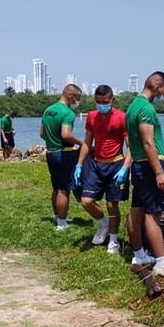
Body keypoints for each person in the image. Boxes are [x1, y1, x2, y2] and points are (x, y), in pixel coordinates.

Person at [126, 71, 164, 276]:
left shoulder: (133, 106)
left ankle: (139, 254)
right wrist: (159, 173)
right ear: (156, 85)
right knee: (154, 214)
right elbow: (147, 142)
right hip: (149, 166)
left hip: (139, 165)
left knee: (136, 210)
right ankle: (161, 261)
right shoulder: (145, 108)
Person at [75, 85, 130, 254]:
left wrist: (125, 168)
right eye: (98, 102)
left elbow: (132, 146)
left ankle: (113, 240)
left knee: (112, 204)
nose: (102, 105)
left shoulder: (122, 117)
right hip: (96, 164)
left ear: (112, 100)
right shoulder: (92, 116)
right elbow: (87, 142)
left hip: (116, 164)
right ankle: (104, 223)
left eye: (105, 102)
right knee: (86, 201)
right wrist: (79, 164)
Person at [39, 84, 83, 231]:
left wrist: (52, 140)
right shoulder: (68, 113)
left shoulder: (48, 110)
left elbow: (42, 134)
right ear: (71, 96)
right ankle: (62, 223)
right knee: (64, 190)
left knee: (56, 188)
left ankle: (58, 216)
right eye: (78, 98)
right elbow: (66, 134)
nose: (78, 102)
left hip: (51, 152)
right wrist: (82, 142)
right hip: (64, 153)